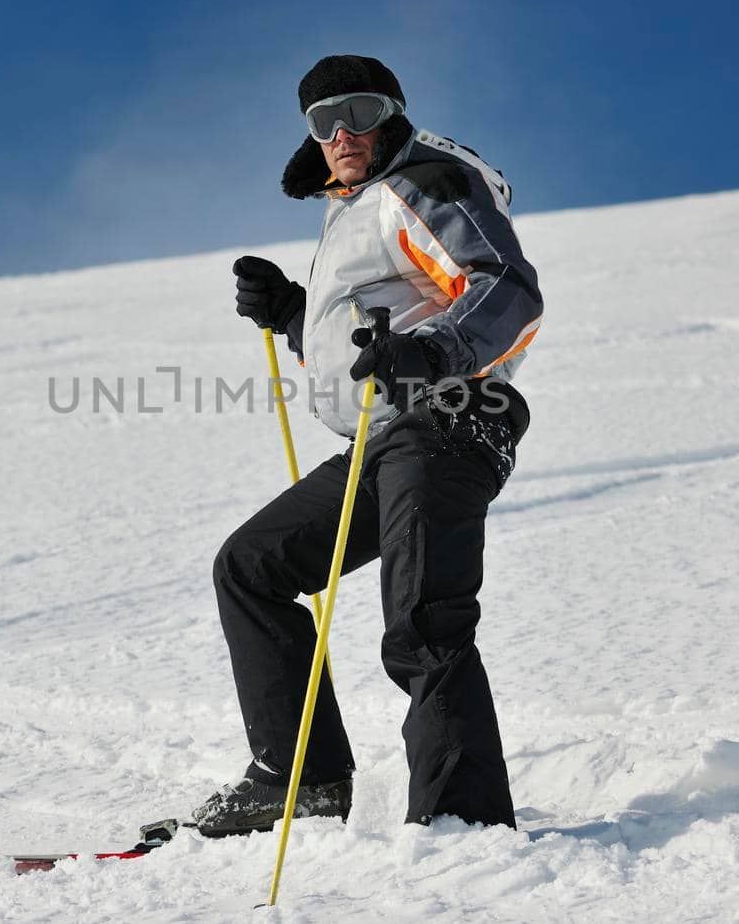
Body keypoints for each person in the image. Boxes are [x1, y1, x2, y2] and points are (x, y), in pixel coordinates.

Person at [192, 55, 545, 836]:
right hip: (382, 437)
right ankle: (301, 778)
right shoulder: (351, 208)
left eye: (360, 110)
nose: (343, 131)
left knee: (423, 618)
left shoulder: (425, 183)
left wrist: (437, 352)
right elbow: (371, 341)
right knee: (250, 566)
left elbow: (506, 289)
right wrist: (291, 313)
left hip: (450, 417)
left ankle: (464, 823)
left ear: (392, 113)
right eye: (324, 120)